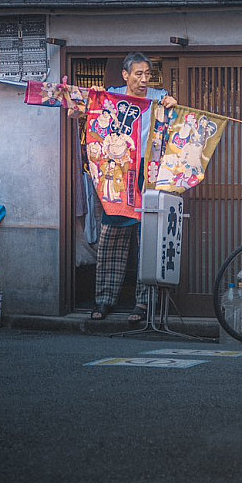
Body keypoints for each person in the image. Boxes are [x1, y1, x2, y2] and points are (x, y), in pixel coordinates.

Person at [75, 53, 176, 324]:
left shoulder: (159, 97)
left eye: (147, 74)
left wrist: (172, 106)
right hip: (119, 171)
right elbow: (83, 113)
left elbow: (175, 123)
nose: (144, 79)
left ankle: (143, 302)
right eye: (138, 74)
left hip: (150, 171)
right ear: (125, 75)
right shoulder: (112, 95)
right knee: (112, 235)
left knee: (148, 237)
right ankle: (104, 299)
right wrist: (92, 98)